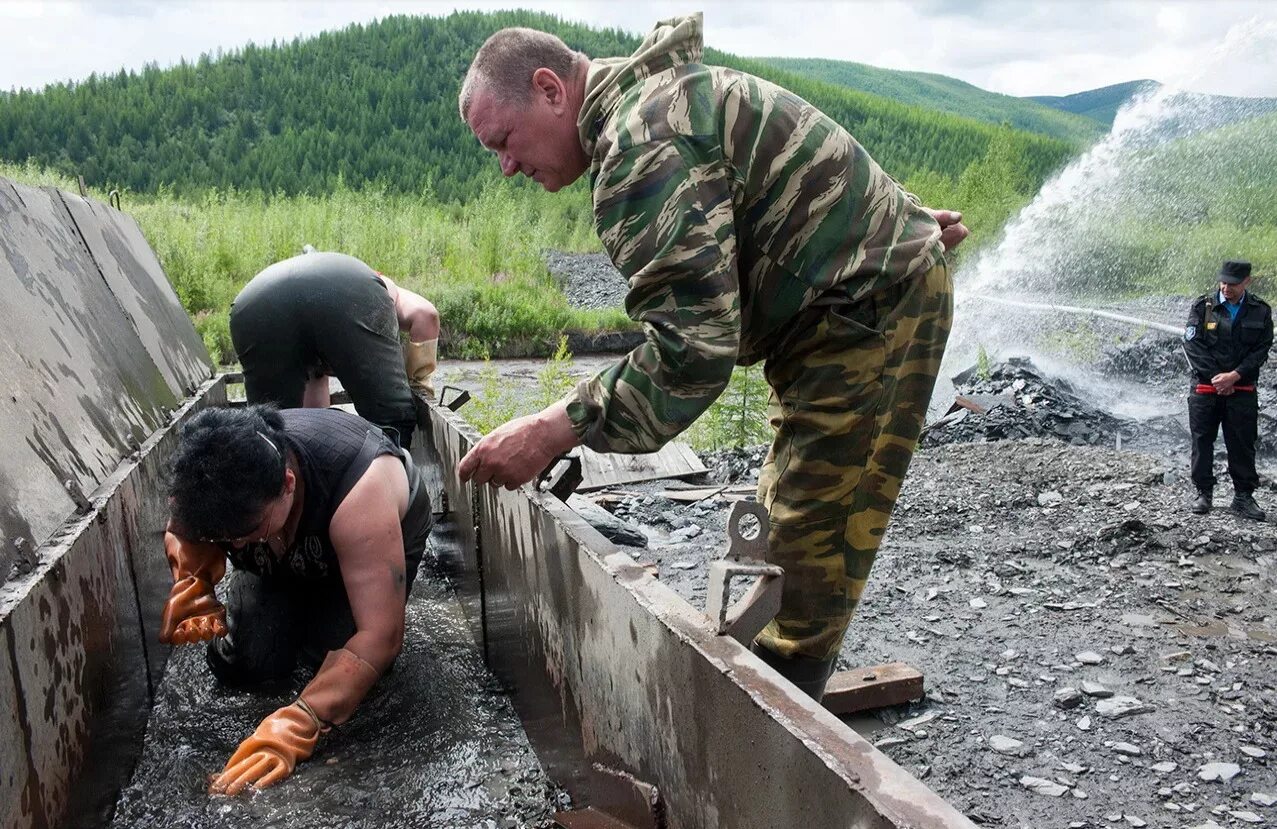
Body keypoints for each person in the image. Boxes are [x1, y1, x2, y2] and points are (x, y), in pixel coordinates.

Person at [455, 14, 968, 700]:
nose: (507, 166)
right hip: (843, 301)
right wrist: (878, 221)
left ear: (550, 90)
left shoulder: (640, 149)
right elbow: (778, 171)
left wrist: (554, 427)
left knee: (810, 544)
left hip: (865, 314)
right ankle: (762, 691)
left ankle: (778, 754)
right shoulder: (655, 103)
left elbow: (693, 352)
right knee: (780, 521)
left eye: (505, 142)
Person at [159, 404, 434, 794]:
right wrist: (192, 577)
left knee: (339, 660)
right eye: (224, 535)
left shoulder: (361, 492)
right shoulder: (202, 474)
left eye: (247, 530)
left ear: (288, 483)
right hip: (282, 542)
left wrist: (298, 722)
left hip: (368, 537)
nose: (234, 545)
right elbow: (179, 528)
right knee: (245, 663)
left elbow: (380, 637)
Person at [230, 249, 440, 449]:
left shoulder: (309, 322)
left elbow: (315, 418)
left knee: (268, 432)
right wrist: (417, 386)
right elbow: (426, 314)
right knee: (392, 422)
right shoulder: (367, 281)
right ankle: (393, 476)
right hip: (347, 294)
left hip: (254, 302)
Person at [1183, 259, 1272, 521]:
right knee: (1202, 441)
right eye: (1223, 282)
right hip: (1205, 387)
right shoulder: (1204, 306)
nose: (1226, 288)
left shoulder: (1260, 311)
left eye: (1232, 284)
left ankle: (1243, 496)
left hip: (1242, 388)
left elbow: (1261, 349)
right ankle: (1203, 492)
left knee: (1242, 442)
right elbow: (1192, 345)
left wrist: (1234, 376)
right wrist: (1216, 378)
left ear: (1247, 282)